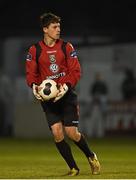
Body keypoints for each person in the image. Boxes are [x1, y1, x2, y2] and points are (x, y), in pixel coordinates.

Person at [25, 12, 100, 176]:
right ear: (45, 29)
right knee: (58, 134)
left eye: (59, 26)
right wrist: (34, 86)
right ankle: (73, 168)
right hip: (49, 99)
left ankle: (91, 156)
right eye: (54, 27)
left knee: (72, 133)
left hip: (66, 96)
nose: (58, 29)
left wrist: (65, 86)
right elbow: (31, 73)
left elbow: (75, 71)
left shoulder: (67, 47)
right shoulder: (34, 50)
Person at [89, 72, 108, 137]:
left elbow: (105, 94)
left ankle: (100, 134)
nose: (98, 78)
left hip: (101, 106)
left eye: (99, 77)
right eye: (97, 77)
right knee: (93, 120)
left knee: (100, 120)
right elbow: (92, 94)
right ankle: (92, 133)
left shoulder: (103, 85)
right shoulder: (94, 85)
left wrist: (99, 97)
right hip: (95, 106)